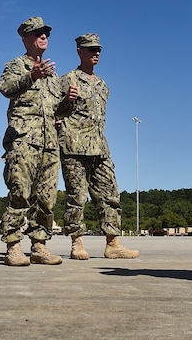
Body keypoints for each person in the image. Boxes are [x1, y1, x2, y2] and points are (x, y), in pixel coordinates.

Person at [0, 17, 77, 266]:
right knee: (20, 191)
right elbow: (5, 88)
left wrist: (69, 101)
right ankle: (13, 245)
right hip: (23, 140)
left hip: (49, 143)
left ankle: (39, 246)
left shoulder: (52, 75)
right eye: (37, 33)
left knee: (46, 197)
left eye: (46, 33)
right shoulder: (16, 65)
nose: (43, 37)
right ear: (25, 39)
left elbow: (57, 111)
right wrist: (31, 76)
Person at [58, 33, 139, 260]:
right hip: (74, 146)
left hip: (100, 147)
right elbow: (54, 112)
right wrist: (66, 101)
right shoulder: (67, 80)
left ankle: (113, 243)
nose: (96, 53)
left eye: (98, 49)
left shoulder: (103, 85)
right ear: (79, 51)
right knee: (76, 196)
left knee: (110, 193)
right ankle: (77, 242)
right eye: (91, 49)